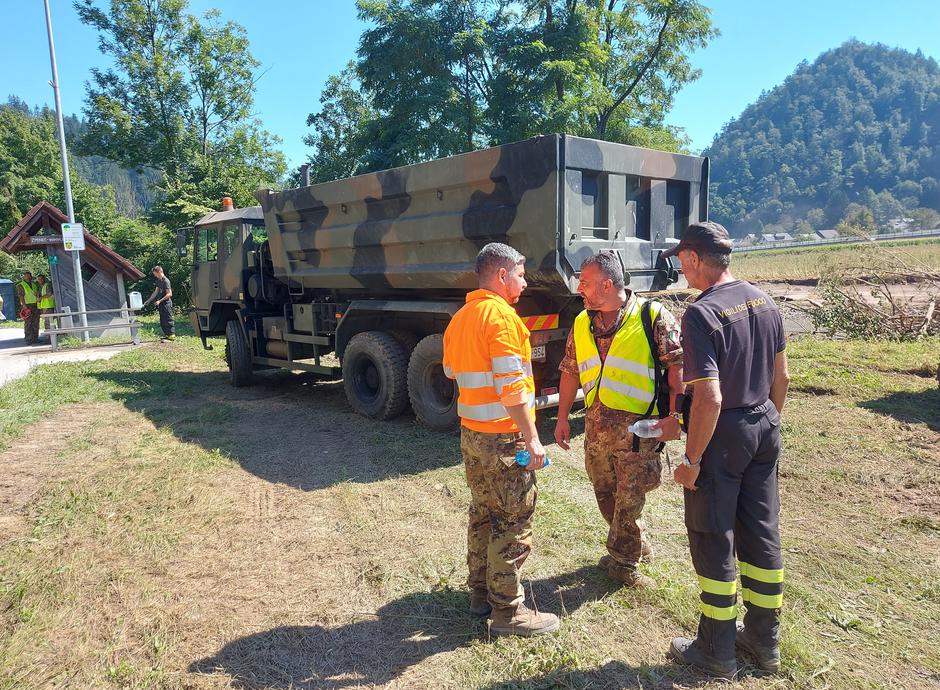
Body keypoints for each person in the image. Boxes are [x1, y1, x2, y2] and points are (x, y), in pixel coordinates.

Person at [664, 221, 790, 679]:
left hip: (724, 433)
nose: (682, 271)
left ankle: (716, 650)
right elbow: (783, 379)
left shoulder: (702, 314)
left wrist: (692, 461)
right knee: (761, 531)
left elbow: (710, 398)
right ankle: (764, 639)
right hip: (764, 424)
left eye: (682, 262)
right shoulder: (766, 300)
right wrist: (766, 424)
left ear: (695, 258)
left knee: (714, 534)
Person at [442, 242, 559, 637]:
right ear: (503, 275)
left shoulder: (460, 318)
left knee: (482, 512)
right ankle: (508, 613)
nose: (525, 283)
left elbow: (450, 372)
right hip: (504, 439)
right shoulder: (502, 319)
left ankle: (479, 594)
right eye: (522, 275)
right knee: (513, 519)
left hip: (472, 435)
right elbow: (512, 388)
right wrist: (532, 438)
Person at [553, 251, 683, 589]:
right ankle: (633, 542)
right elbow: (569, 371)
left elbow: (677, 371)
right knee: (605, 493)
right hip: (596, 428)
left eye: (584, 282)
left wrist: (675, 417)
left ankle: (624, 563)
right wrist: (563, 417)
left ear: (607, 285)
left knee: (630, 497)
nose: (578, 287)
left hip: (639, 429)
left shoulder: (652, 316)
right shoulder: (583, 321)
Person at [143, 265, 175, 341]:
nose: (155, 275)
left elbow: (169, 294)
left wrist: (160, 301)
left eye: (155, 274)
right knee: (163, 320)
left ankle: (172, 336)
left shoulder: (166, 281)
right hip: (161, 304)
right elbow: (156, 292)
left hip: (166, 304)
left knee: (168, 319)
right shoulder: (158, 281)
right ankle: (167, 335)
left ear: (160, 272)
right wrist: (149, 300)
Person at [15, 271, 40, 344]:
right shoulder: (20, 285)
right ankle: (28, 339)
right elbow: (21, 296)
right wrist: (24, 306)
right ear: (24, 277)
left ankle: (35, 338)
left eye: (29, 275)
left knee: (36, 321)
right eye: (26, 276)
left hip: (35, 305)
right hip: (27, 305)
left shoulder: (34, 284)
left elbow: (37, 293)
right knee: (28, 322)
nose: (28, 277)